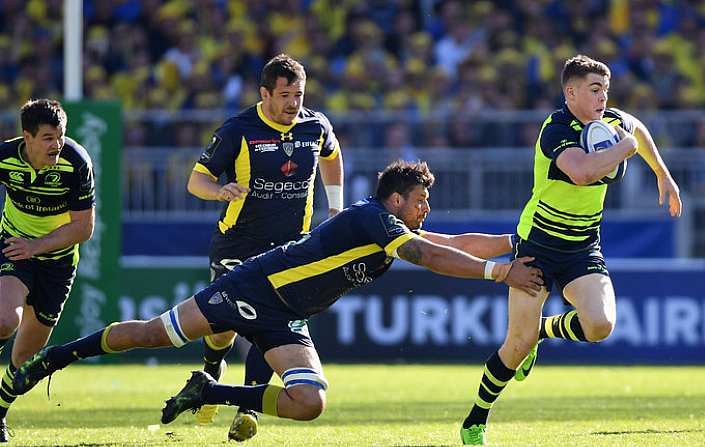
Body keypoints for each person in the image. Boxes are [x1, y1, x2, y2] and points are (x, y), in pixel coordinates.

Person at [12, 160, 544, 442]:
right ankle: (51, 359)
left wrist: (514, 240)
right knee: (153, 333)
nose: (428, 209)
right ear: (397, 199)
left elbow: (448, 245)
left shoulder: (389, 224)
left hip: (287, 316)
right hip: (250, 288)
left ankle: (209, 389)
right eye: (423, 200)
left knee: (309, 402)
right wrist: (500, 273)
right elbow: (429, 257)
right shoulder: (372, 218)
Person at [459, 54, 683, 445]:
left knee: (601, 325)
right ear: (571, 92)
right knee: (515, 345)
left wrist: (663, 174)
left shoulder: (611, 122)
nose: (603, 98)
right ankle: (477, 417)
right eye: (595, 90)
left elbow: (639, 128)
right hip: (537, 247)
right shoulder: (556, 129)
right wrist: (625, 148)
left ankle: (544, 332)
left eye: (606, 91)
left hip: (582, 246)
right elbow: (582, 172)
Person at [186, 53, 344, 441]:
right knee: (221, 330)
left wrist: (336, 207)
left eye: (300, 94)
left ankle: (245, 409)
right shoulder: (239, 129)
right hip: (237, 244)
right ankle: (212, 370)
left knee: (265, 323)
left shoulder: (315, 126)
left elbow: (333, 156)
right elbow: (196, 180)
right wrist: (219, 190)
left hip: (291, 249)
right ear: (265, 94)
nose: (294, 103)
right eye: (286, 94)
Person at [0, 99, 95, 443]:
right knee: (4, 320)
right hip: (14, 248)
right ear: (26, 137)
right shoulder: (4, 157)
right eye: (48, 138)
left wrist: (37, 246)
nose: (57, 145)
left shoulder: (76, 161)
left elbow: (84, 229)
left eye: (60, 136)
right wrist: (24, 246)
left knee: (23, 361)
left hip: (58, 262)